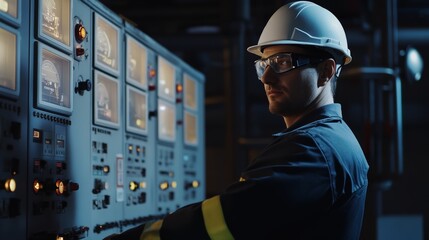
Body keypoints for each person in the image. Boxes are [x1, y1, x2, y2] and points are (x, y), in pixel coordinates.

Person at [105, 1, 369, 239]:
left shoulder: (314, 150)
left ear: (325, 71)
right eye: (265, 64)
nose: (267, 78)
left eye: (283, 62)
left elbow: (221, 223)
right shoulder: (332, 141)